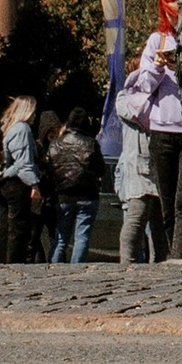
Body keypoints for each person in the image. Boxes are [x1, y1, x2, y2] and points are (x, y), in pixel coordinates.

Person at [115, 0, 182, 265]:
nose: (176, 18)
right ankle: (171, 255)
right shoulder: (159, 40)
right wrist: (159, 66)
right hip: (164, 130)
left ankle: (180, 253)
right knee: (167, 201)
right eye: (171, 13)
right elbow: (143, 85)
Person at [36, 84, 103, 264]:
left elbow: (49, 168)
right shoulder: (91, 143)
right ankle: (76, 270)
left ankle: (55, 268)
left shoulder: (56, 144)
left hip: (63, 195)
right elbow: (101, 168)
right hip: (88, 195)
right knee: (82, 238)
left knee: (61, 238)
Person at [0, 93, 45, 263]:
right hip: (16, 183)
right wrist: (34, 184)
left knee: (5, 227)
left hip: (2, 183)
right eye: (33, 111)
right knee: (18, 228)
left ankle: (3, 262)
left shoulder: (6, 127)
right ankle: (13, 263)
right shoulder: (22, 129)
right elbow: (24, 162)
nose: (35, 116)